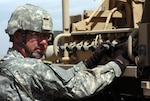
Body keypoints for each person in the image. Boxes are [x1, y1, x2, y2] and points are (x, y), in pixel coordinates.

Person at [0, 4, 131, 101]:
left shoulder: (8, 65)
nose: (44, 42)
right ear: (17, 36)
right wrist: (117, 64)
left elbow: (62, 78)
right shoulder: (30, 68)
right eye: (36, 35)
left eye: (46, 36)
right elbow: (78, 86)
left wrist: (89, 62)